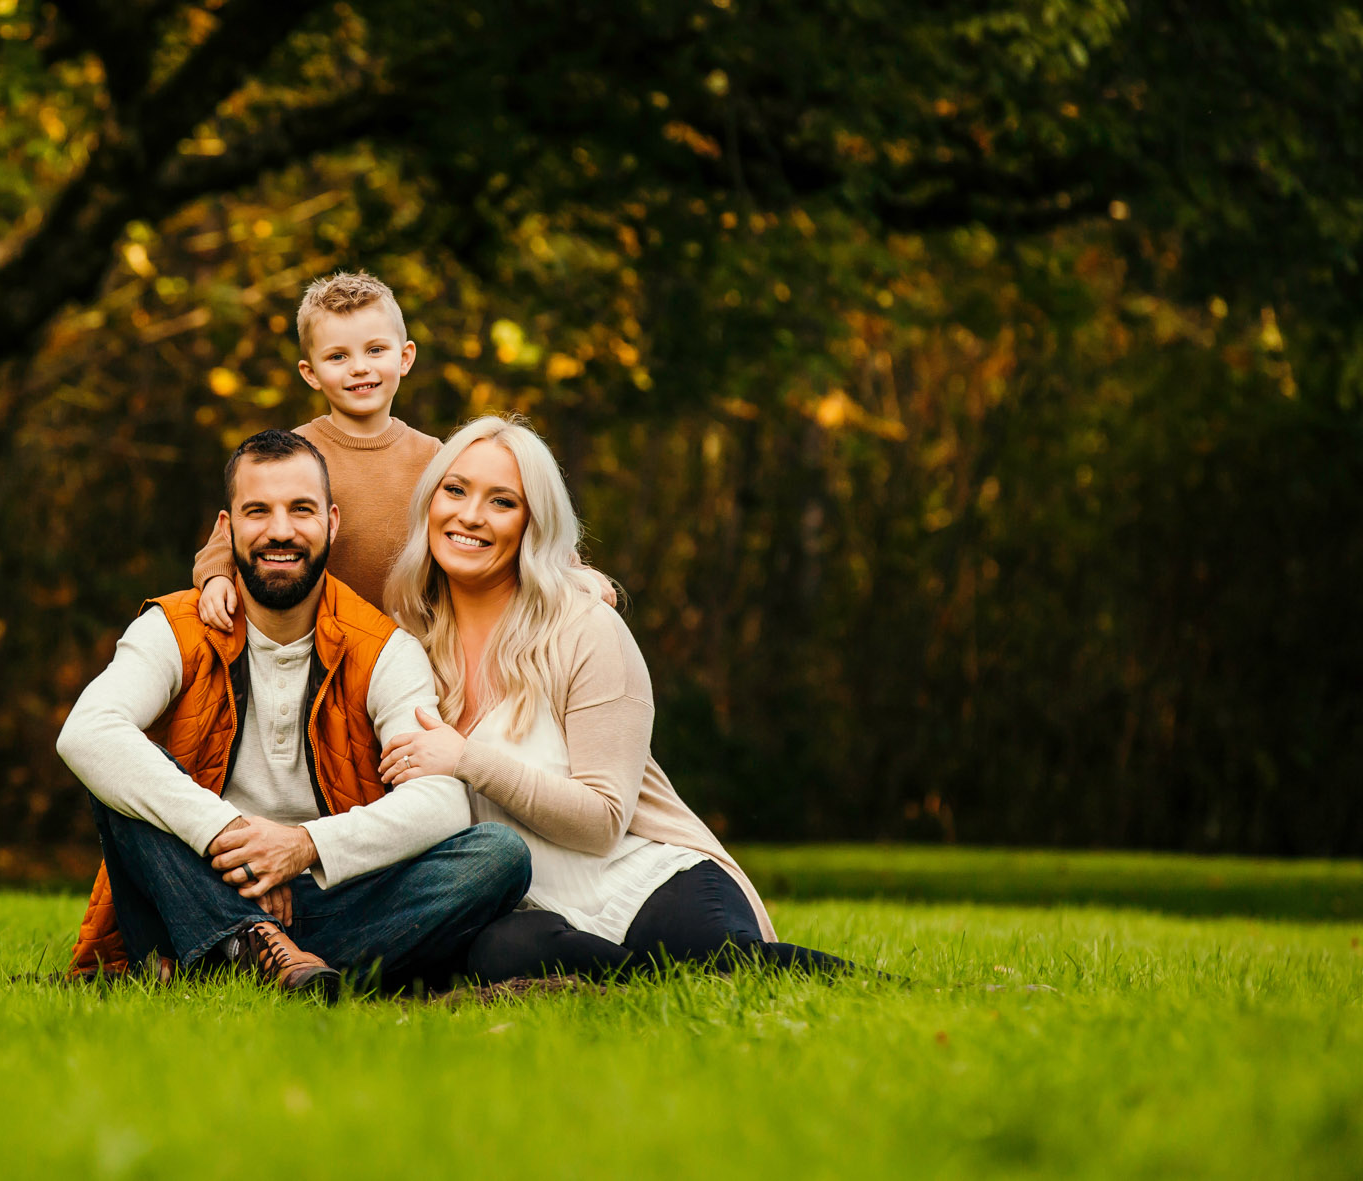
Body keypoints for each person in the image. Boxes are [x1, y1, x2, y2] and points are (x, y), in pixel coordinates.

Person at [57, 428, 531, 999]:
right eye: (258, 511)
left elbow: (440, 804)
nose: (280, 531)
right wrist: (228, 838)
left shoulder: (384, 650)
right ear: (228, 528)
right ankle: (256, 941)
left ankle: (233, 963)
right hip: (192, 885)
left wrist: (302, 846)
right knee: (119, 768)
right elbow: (85, 732)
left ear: (331, 522)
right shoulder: (173, 628)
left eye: (300, 511)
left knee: (498, 856)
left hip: (331, 898)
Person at [377, 415, 853, 982]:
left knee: (727, 967)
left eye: (502, 501)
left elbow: (604, 820)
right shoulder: (407, 647)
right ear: (429, 501)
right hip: (535, 910)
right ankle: (644, 984)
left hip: (645, 876)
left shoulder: (584, 628)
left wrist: (467, 760)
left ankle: (907, 997)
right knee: (498, 958)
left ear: (532, 524)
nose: (471, 516)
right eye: (455, 490)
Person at [190, 269, 615, 625]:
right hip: (318, 646)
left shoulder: (437, 459)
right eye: (338, 357)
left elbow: (503, 520)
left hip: (413, 647)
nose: (360, 367)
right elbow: (232, 534)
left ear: (405, 357)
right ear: (310, 372)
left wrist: (573, 572)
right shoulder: (294, 453)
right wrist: (216, 579)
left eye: (375, 350)